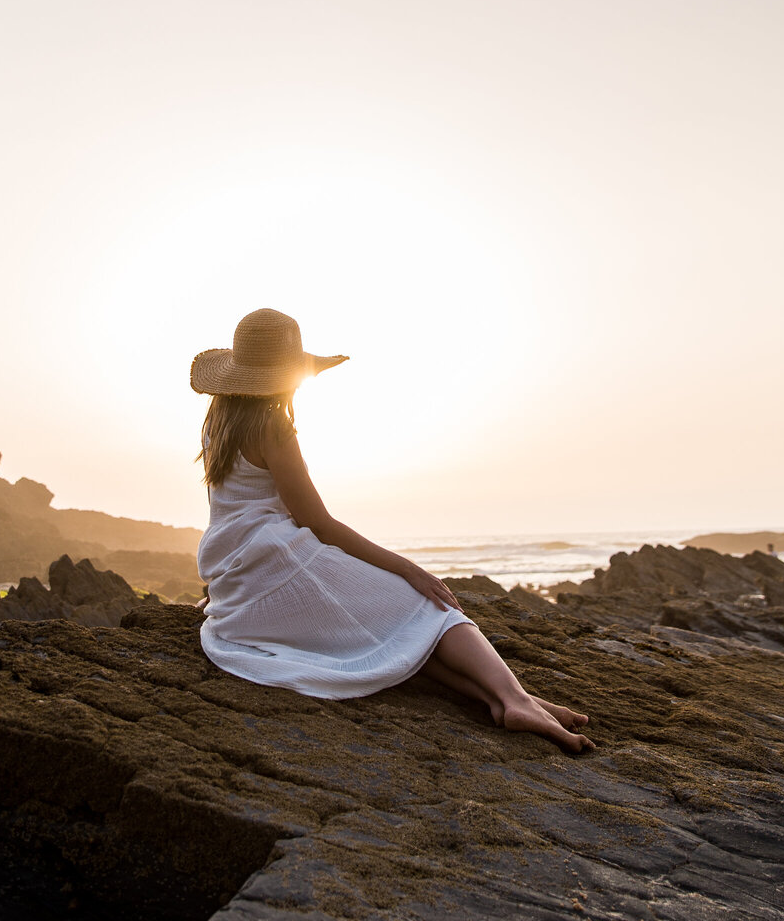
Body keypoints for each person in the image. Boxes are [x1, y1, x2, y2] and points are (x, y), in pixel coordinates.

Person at [190, 308, 594, 753]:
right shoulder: (274, 426)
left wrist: (221, 584)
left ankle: (497, 697)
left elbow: (225, 512)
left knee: (389, 634)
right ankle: (515, 698)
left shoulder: (216, 424)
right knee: (428, 607)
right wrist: (410, 570)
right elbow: (317, 522)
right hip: (277, 561)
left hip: (238, 580)